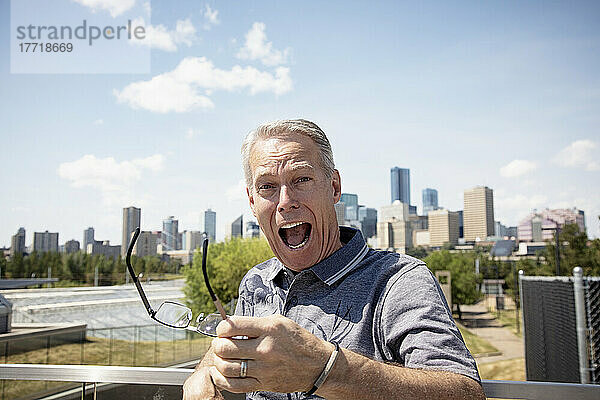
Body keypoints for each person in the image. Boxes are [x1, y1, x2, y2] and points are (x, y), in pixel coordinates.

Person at [183, 119, 485, 400]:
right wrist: (201, 373)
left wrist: (325, 368)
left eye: (301, 179)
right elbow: (229, 347)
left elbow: (464, 393)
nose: (286, 202)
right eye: (267, 187)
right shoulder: (256, 282)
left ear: (334, 187)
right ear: (252, 200)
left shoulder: (398, 280)